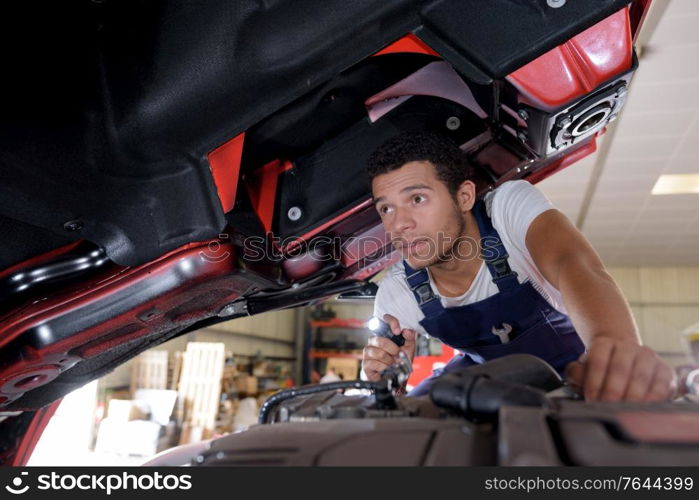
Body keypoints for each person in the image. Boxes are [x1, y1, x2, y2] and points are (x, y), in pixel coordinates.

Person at [361, 131, 676, 401]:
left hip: (576, 369)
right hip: (483, 382)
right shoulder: (396, 294)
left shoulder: (507, 210)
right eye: (386, 208)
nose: (399, 223)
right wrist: (388, 384)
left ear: (464, 196)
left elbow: (574, 265)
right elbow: (387, 387)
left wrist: (613, 350)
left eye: (417, 199)